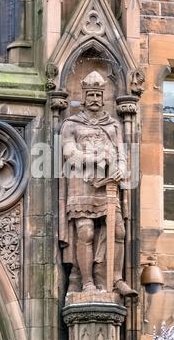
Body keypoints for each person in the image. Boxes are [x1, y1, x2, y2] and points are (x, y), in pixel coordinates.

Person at [59, 71, 138, 297]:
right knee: (85, 232)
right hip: (81, 184)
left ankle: (115, 280)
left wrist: (121, 169)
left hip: (108, 184)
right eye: (90, 94)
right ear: (83, 97)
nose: (94, 98)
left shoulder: (113, 125)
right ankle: (86, 282)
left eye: (98, 94)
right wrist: (93, 159)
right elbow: (69, 153)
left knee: (119, 230)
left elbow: (122, 154)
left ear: (103, 97)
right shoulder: (71, 124)